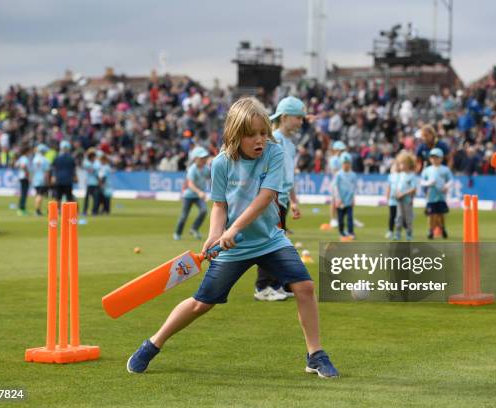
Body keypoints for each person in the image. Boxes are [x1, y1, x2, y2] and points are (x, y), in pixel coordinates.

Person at [126, 97, 339, 378]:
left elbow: (265, 198)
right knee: (202, 303)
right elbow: (219, 205)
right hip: (233, 249)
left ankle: (315, 354)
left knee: (305, 286)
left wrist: (233, 229)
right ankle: (153, 344)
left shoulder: (274, 154)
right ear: (236, 135)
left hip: (270, 240)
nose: (259, 140)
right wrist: (216, 233)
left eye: (263, 133)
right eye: (252, 135)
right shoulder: (221, 163)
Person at [254, 96, 303, 301]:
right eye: (298, 117)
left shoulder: (289, 144)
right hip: (271, 200)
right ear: (284, 117)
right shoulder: (272, 140)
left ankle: (276, 284)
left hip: (282, 200)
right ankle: (263, 287)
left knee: (277, 243)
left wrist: (294, 201)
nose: (301, 121)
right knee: (269, 243)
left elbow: (288, 176)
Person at [173, 146, 210, 240]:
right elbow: (190, 184)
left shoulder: (206, 169)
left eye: (205, 157)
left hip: (198, 196)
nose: (204, 159)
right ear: (195, 158)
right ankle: (177, 233)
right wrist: (200, 192)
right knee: (184, 216)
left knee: (204, 210)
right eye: (201, 158)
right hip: (188, 195)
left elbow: (212, 178)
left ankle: (194, 228)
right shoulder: (192, 169)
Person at [420, 147, 453, 239]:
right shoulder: (427, 170)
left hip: (441, 196)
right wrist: (428, 183)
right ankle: (430, 231)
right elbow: (422, 181)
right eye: (432, 157)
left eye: (436, 157)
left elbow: (451, 180)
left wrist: (446, 187)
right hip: (430, 196)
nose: (434, 159)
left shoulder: (445, 169)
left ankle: (443, 228)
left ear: (441, 158)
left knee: (441, 214)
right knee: (431, 215)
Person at [394, 151, 418, 241]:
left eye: (403, 163)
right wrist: (397, 193)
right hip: (399, 200)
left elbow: (414, 188)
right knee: (399, 217)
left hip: (407, 200)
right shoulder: (400, 175)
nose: (401, 166)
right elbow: (397, 186)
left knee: (408, 218)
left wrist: (403, 194)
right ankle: (398, 233)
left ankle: (409, 234)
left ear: (409, 164)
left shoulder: (412, 176)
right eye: (400, 164)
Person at [333, 152, 357, 240]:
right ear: (341, 164)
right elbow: (335, 187)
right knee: (341, 218)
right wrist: (338, 199)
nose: (346, 165)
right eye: (344, 163)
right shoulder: (338, 175)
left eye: (348, 163)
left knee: (350, 217)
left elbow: (354, 188)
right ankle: (341, 232)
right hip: (340, 200)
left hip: (349, 200)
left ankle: (351, 232)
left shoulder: (353, 175)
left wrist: (353, 198)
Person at [52, 140, 77, 205]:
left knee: (58, 197)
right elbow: (73, 169)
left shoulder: (57, 158)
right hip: (68, 180)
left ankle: (58, 211)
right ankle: (69, 212)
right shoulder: (71, 158)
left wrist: (53, 177)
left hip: (59, 179)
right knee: (69, 197)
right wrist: (75, 177)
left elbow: (54, 168)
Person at [32, 144, 51, 216]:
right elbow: (47, 172)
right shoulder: (45, 160)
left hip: (35, 179)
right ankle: (37, 211)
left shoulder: (35, 159)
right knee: (40, 195)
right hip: (42, 179)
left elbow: (32, 170)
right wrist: (48, 181)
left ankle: (37, 209)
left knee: (37, 195)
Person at [82, 148, 100, 216]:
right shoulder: (88, 163)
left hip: (95, 183)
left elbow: (96, 169)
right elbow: (85, 165)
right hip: (89, 183)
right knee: (87, 198)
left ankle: (94, 211)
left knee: (95, 198)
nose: (93, 157)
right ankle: (85, 211)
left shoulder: (96, 163)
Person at [15, 145, 31, 216]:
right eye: (29, 151)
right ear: (27, 151)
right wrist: (27, 174)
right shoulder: (25, 158)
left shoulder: (21, 158)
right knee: (24, 193)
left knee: (23, 193)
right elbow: (24, 166)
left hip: (21, 177)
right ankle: (21, 209)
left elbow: (16, 165)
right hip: (24, 177)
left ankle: (22, 208)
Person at [385, 160, 399, 239]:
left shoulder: (401, 175)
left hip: (400, 200)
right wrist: (387, 198)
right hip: (392, 200)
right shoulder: (390, 176)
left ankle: (397, 232)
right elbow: (388, 187)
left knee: (399, 217)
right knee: (392, 216)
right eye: (393, 166)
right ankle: (390, 231)